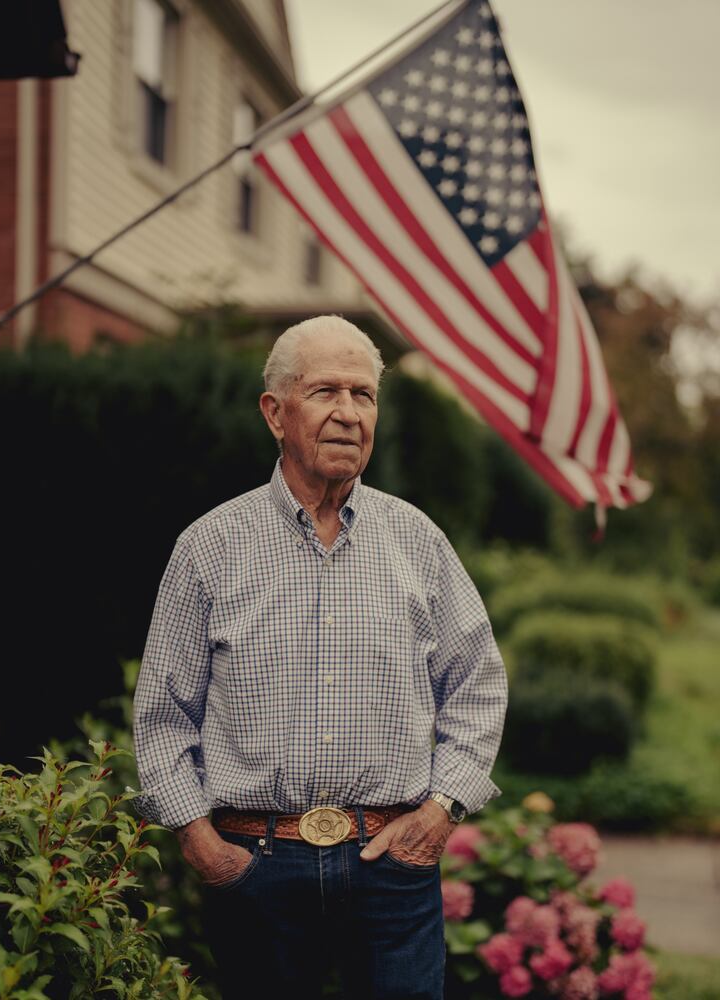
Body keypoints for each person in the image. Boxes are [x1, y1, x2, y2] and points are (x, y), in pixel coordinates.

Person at [132, 315, 508, 1000]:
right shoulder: (210, 547)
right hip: (256, 866)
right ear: (275, 413)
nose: (347, 414)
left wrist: (441, 810)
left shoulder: (417, 540)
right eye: (325, 392)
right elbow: (162, 714)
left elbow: (478, 683)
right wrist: (200, 843)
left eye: (362, 395)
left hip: (393, 866)